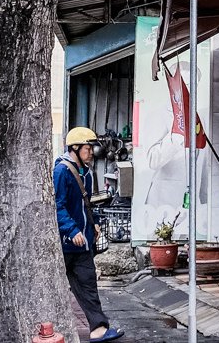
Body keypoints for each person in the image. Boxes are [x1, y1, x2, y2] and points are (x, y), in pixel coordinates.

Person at [54, 127, 124, 342]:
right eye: (88, 147)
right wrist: (72, 229)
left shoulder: (87, 173)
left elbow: (86, 205)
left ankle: (98, 329)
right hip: (65, 243)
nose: (92, 151)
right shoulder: (62, 171)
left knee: (88, 285)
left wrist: (92, 225)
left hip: (83, 243)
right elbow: (57, 205)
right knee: (56, 289)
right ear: (75, 148)